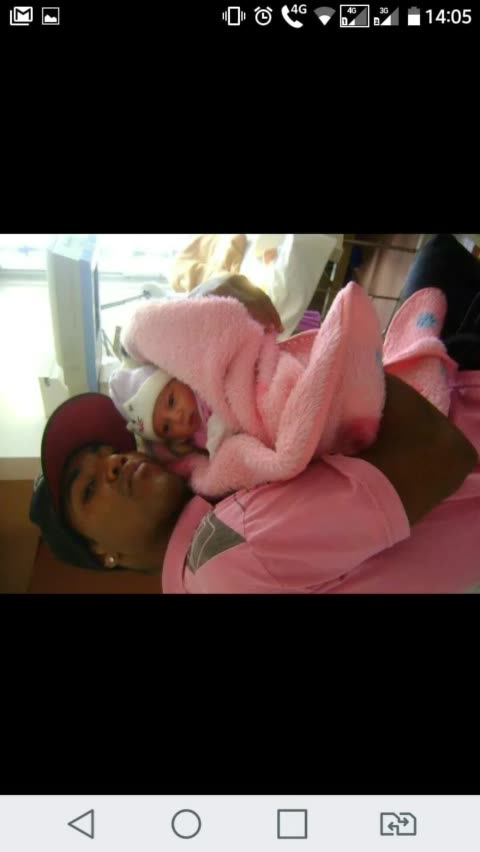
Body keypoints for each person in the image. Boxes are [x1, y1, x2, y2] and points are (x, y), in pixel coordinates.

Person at [28, 238, 480, 593]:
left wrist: (212, 321)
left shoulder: (212, 516)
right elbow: (440, 453)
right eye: (88, 489)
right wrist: (332, 369)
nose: (113, 464)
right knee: (440, 257)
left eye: (109, 452)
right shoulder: (231, 552)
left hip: (436, 399)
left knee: (441, 255)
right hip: (460, 434)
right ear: (104, 554)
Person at [108, 279, 454, 499]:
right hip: (271, 426)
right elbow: (230, 455)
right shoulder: (199, 444)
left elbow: (158, 328)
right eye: (167, 426)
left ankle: (351, 397)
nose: (178, 416)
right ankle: (349, 415)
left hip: (271, 381)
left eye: (171, 401)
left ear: (178, 378)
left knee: (328, 374)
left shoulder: (204, 373)